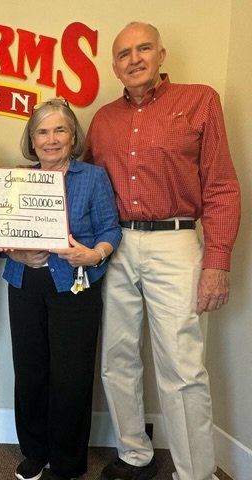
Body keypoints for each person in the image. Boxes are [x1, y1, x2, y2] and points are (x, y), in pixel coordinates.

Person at [84, 22, 241, 480]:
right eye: (124, 53)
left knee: (183, 367)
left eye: (143, 49)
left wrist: (217, 262)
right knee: (117, 360)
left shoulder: (199, 101)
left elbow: (222, 187)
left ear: (161, 54)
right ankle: (135, 453)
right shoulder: (104, 119)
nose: (134, 59)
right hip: (116, 243)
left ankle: (195, 472)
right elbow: (85, 185)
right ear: (114, 66)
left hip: (176, 242)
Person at [2, 98, 122, 480]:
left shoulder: (93, 177)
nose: (51, 139)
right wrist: (17, 252)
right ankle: (35, 451)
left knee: (71, 375)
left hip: (76, 284)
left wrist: (94, 254)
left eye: (60, 130)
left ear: (73, 136)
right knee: (31, 371)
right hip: (24, 282)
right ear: (32, 139)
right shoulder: (17, 178)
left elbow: (110, 230)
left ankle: (67, 462)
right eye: (42, 131)